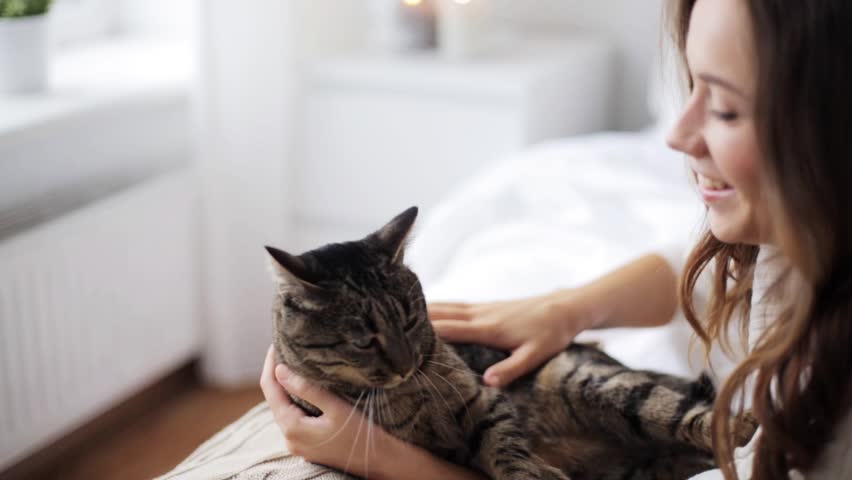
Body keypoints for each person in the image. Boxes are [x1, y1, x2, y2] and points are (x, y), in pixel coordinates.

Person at [259, 0, 852, 478]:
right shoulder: (799, 230)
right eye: (689, 86)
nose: (675, 134)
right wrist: (567, 308)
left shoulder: (829, 430)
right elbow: (700, 267)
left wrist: (391, 461)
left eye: (724, 108)